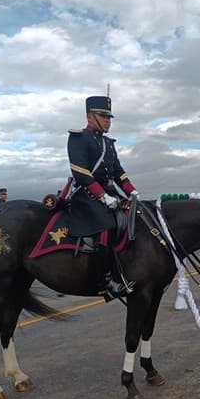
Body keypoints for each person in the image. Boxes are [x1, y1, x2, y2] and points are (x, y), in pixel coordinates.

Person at [67, 95, 140, 299]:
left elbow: (118, 171)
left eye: (109, 117)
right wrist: (102, 197)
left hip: (110, 193)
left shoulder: (108, 143)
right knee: (106, 223)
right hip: (86, 193)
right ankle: (106, 280)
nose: (108, 121)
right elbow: (80, 172)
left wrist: (131, 190)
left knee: (134, 217)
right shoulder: (78, 138)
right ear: (90, 117)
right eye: (103, 116)